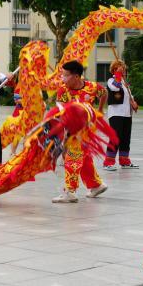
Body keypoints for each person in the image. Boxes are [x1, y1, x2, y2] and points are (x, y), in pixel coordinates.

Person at [52, 60, 108, 203]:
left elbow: (104, 93)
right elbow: (62, 112)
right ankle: (96, 185)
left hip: (87, 129)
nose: (62, 79)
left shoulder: (92, 87)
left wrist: (100, 110)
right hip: (73, 129)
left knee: (72, 158)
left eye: (65, 76)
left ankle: (69, 191)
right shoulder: (63, 91)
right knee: (84, 158)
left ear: (76, 77)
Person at [104, 61, 139, 171]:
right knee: (115, 138)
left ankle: (124, 161)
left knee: (125, 138)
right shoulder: (111, 81)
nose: (123, 71)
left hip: (127, 114)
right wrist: (118, 76)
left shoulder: (125, 83)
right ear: (114, 70)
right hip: (116, 114)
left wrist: (133, 103)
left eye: (123, 69)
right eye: (120, 69)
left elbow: (129, 96)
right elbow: (115, 88)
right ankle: (108, 162)